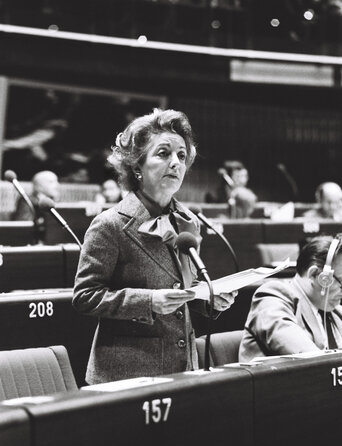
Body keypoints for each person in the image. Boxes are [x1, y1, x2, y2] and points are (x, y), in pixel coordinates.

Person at [73, 108, 237, 383]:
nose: (176, 163)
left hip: (183, 369)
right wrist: (148, 302)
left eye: (182, 156)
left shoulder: (187, 222)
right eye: (163, 153)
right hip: (127, 374)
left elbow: (181, 288)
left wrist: (208, 299)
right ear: (137, 165)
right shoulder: (110, 224)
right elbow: (85, 296)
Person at [239, 236, 342, 362]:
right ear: (314, 274)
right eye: (341, 281)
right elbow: (309, 356)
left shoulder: (336, 312)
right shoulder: (273, 296)